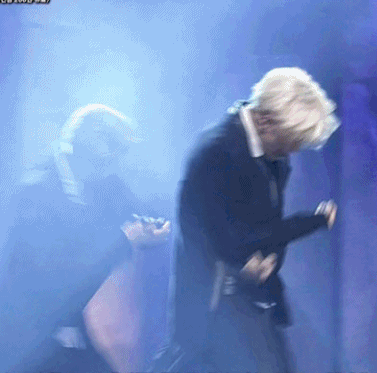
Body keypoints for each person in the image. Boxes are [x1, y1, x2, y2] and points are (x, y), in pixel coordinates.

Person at [150, 67, 340, 373]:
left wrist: (268, 258)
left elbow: (263, 225)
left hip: (249, 305)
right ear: (265, 122)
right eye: (291, 140)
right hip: (215, 308)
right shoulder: (216, 153)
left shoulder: (272, 155)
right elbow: (223, 236)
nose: (294, 150)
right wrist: (309, 223)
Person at [0, 104, 170, 373]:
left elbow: (132, 204)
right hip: (29, 339)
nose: (114, 167)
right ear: (92, 151)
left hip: (64, 330)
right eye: (111, 158)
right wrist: (125, 240)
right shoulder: (35, 195)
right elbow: (61, 280)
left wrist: (148, 224)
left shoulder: (93, 181)